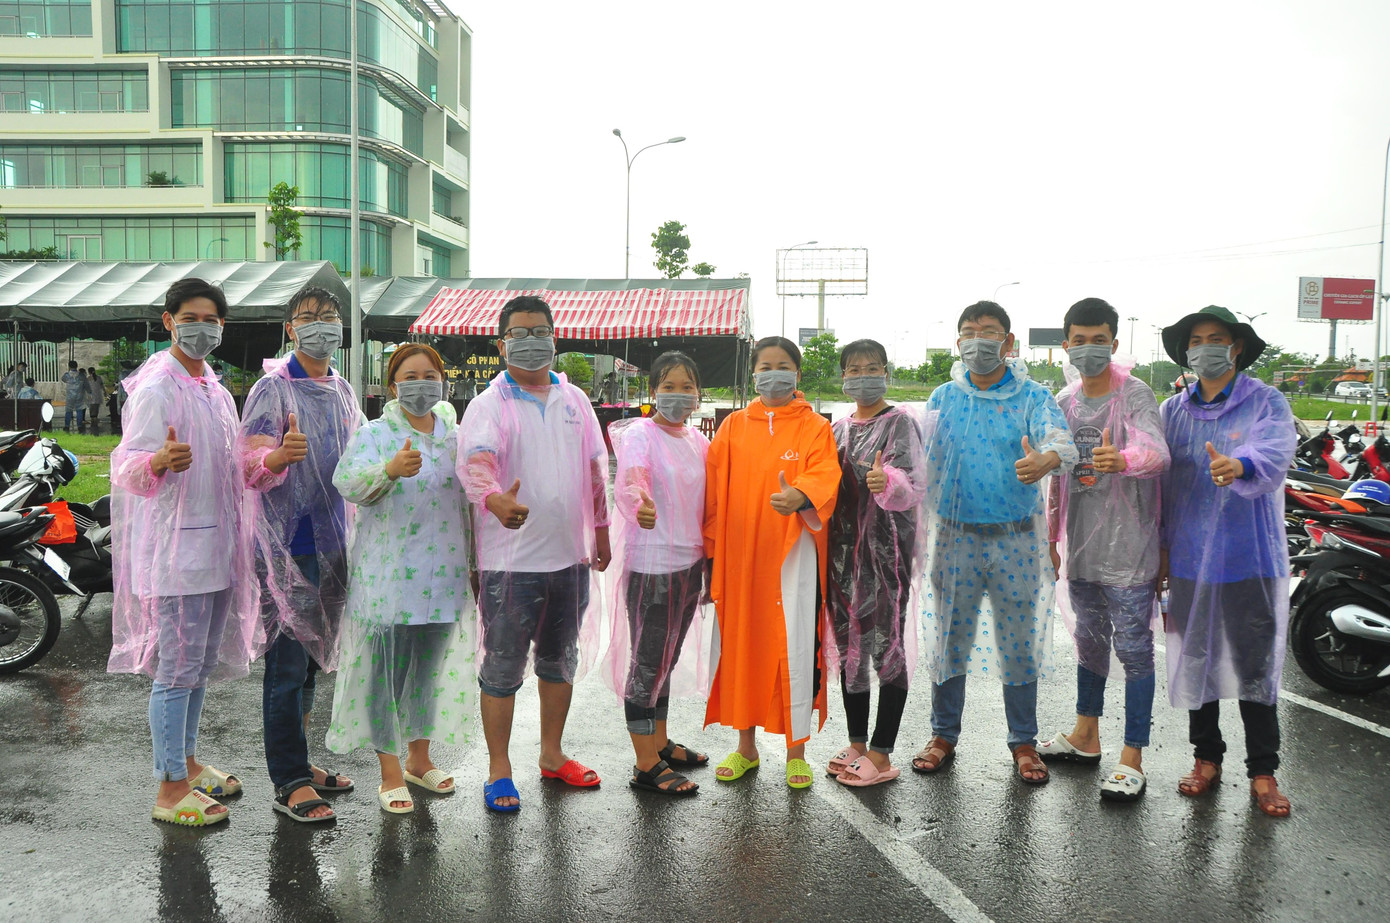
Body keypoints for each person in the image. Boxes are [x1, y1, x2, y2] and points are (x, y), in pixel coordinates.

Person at [108, 277, 260, 826]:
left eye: (213, 319)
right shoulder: (157, 387)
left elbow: (234, 466)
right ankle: (170, 789)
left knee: (195, 669)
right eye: (191, 317)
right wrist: (156, 462)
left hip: (218, 551)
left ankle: (188, 763)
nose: (203, 327)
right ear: (169, 320)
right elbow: (124, 465)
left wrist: (271, 464)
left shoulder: (214, 390)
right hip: (175, 560)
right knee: (175, 673)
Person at [913, 301, 1078, 785]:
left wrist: (1047, 458)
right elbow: (921, 463)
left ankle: (1023, 742)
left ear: (1008, 343)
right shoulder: (944, 396)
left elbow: (1062, 442)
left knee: (1018, 644)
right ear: (957, 341)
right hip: (954, 538)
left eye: (989, 332)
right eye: (968, 332)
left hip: (1016, 541)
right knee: (949, 639)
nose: (977, 341)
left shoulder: (1032, 396)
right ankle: (943, 734)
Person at [457, 295, 611, 813]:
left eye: (539, 330)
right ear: (500, 343)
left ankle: (551, 753)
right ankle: (499, 770)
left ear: (554, 336)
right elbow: (477, 464)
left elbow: (595, 470)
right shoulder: (489, 404)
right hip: (510, 563)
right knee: (501, 668)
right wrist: (495, 500)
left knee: (557, 663)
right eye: (518, 333)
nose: (531, 340)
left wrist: (603, 531)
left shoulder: (575, 400)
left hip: (569, 560)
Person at [1157, 306, 1295, 818]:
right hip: (1191, 555)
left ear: (1235, 348)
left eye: (1217, 338)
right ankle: (1205, 758)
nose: (1206, 347)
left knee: (1256, 665)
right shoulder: (1173, 411)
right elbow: (1162, 486)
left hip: (1248, 557)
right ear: (1186, 351)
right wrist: (1162, 551)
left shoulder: (1265, 400)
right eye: (1197, 339)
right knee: (1198, 659)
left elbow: (1275, 453)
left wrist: (1240, 464)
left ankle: (1263, 770)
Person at [328, 343, 476, 814]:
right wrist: (388, 471)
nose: (421, 383)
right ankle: (390, 772)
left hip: (444, 577)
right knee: (385, 675)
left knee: (426, 674)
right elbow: (347, 484)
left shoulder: (455, 436)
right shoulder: (374, 433)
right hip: (388, 578)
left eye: (429, 374)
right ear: (393, 386)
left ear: (442, 381)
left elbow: (473, 497)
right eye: (409, 376)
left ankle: (419, 758)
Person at [239, 286, 363, 824]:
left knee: (314, 664)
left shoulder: (342, 391)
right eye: (308, 317)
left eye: (329, 317)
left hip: (334, 542)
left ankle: (303, 762)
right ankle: (287, 778)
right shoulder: (273, 389)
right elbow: (246, 467)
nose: (320, 326)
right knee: (287, 668)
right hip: (287, 547)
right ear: (291, 328)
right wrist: (276, 456)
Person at [1037, 298, 1169, 801]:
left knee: (1135, 650)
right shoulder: (1065, 400)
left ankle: (1132, 754)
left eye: (1099, 340)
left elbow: (1158, 453)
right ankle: (1085, 735)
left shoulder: (1135, 394)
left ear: (1114, 343)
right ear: (1066, 344)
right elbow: (1057, 479)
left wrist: (1126, 457)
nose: (1088, 348)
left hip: (1131, 548)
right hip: (1083, 543)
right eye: (1079, 339)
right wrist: (1052, 539)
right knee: (1089, 641)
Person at [704, 336, 840, 790]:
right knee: (742, 645)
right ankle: (745, 747)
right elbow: (711, 493)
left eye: (783, 365)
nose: (773, 373)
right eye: (765, 365)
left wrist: (800, 495)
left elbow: (825, 474)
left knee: (795, 645)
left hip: (792, 557)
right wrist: (711, 551)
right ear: (754, 373)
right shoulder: (732, 428)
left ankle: (796, 751)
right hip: (740, 558)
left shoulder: (814, 427)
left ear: (796, 374)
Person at [604, 351, 711, 797]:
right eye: (668, 386)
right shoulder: (641, 435)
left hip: (689, 563)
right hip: (653, 566)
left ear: (699, 395)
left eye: (687, 387)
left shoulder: (699, 441)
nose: (678, 395)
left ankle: (661, 742)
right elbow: (632, 480)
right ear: (653, 393)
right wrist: (639, 502)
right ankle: (645, 762)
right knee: (648, 663)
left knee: (666, 658)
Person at [825, 339, 927, 788]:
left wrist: (888, 481)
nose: (862, 375)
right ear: (843, 376)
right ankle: (857, 743)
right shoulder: (838, 429)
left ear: (885, 371)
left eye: (871, 367)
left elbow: (912, 485)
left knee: (887, 648)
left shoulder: (900, 423)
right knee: (852, 650)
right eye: (853, 369)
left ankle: (883, 753)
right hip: (842, 556)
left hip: (887, 555)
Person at [61, 361, 82, 432]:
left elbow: (63, 379)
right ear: (77, 366)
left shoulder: (67, 375)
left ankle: (67, 426)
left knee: (68, 411)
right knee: (79, 410)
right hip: (79, 395)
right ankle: (79, 426)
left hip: (70, 396)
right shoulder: (81, 375)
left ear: (69, 366)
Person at [86, 367, 105, 435]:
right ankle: (95, 417)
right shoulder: (99, 378)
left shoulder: (88, 379)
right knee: (96, 406)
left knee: (91, 406)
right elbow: (102, 385)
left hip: (90, 395)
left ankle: (92, 417)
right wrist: (104, 392)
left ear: (89, 372)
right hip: (98, 395)